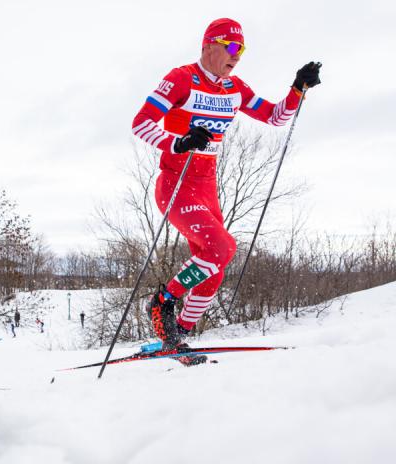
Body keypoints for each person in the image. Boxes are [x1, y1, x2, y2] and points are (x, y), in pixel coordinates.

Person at [132, 18, 321, 349]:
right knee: (222, 248)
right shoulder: (181, 79)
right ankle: (163, 301)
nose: (237, 55)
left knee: (214, 269)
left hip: (207, 187)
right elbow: (141, 124)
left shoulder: (234, 88)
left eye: (242, 49)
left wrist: (297, 90)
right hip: (176, 183)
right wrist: (177, 142)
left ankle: (177, 335)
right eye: (232, 47)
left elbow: (275, 116)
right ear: (208, 46)